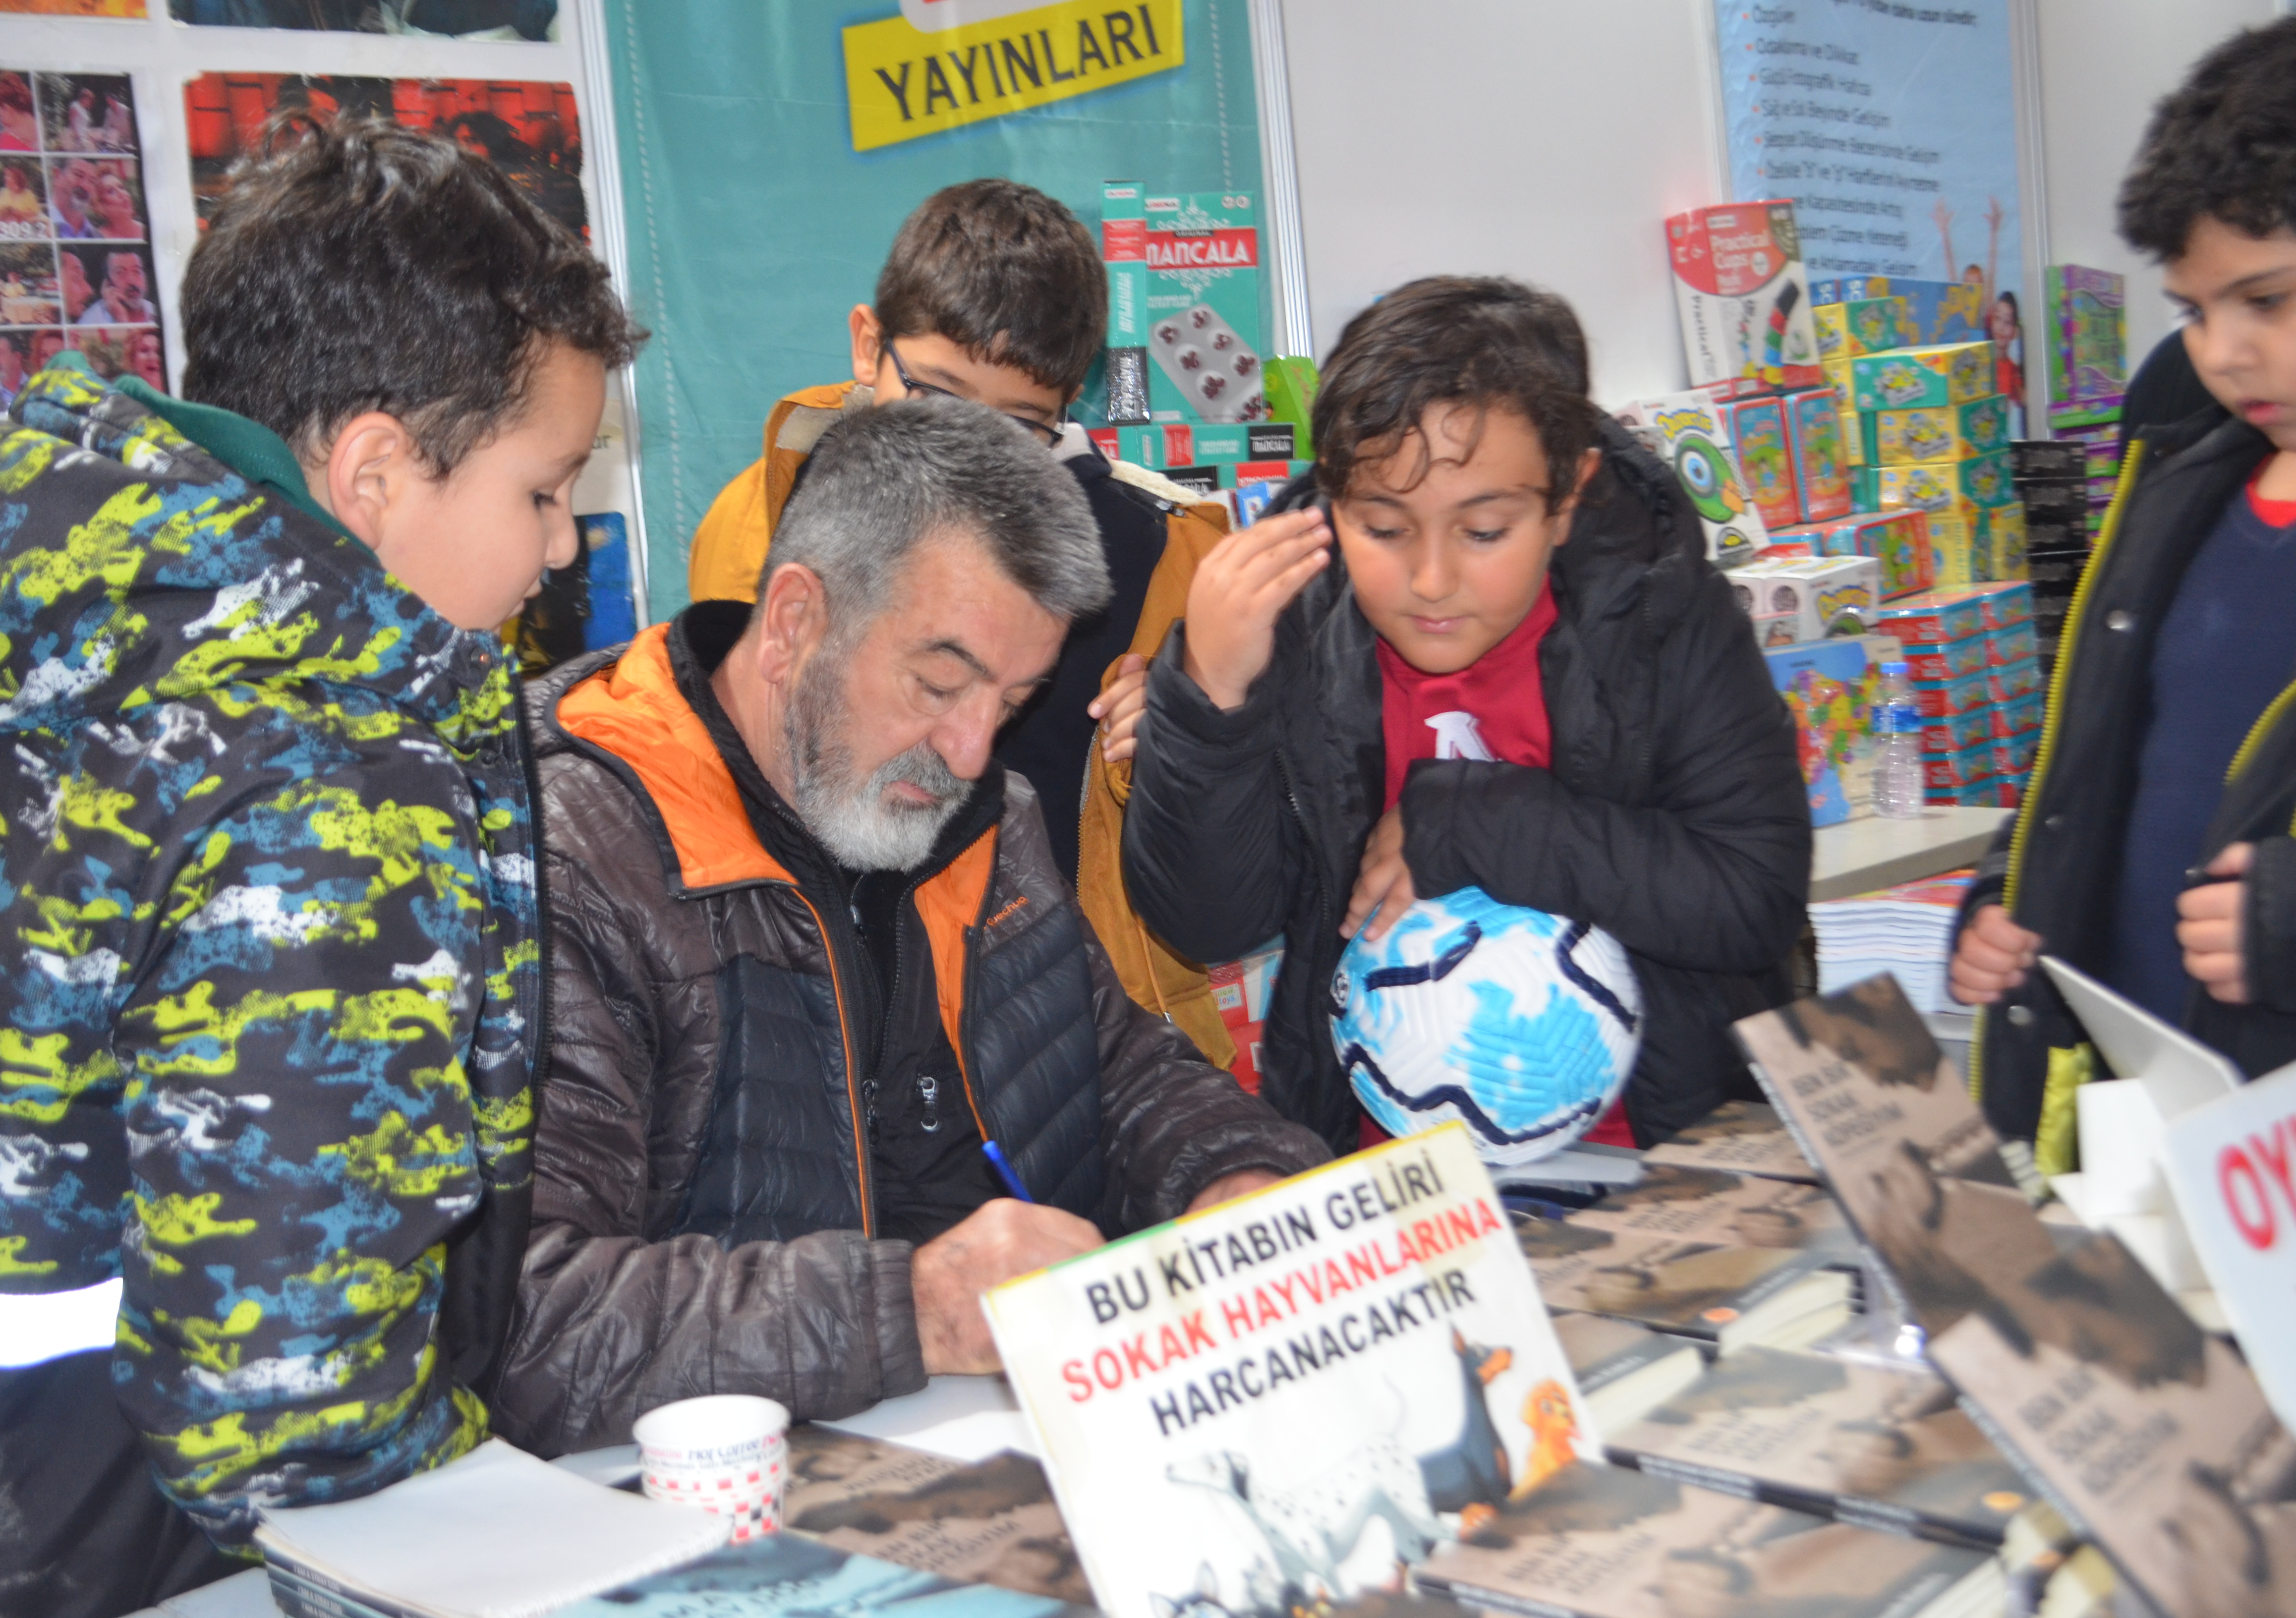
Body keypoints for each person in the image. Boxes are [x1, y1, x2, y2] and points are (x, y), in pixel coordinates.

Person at [0, 118, 642, 1618]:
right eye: (541, 491)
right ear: (372, 469)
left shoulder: (6, 586)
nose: (557, 546)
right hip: (157, 1549)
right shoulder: (322, 771)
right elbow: (287, 1411)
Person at [494, 398, 1327, 1453]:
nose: (974, 751)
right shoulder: (575, 849)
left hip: (1027, 1448)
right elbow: (527, 1322)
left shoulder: (985, 820)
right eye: (940, 684)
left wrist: (1236, 1177)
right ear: (795, 621)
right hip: (726, 1499)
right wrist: (914, 1308)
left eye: (1015, 699)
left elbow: (1111, 1070)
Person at [1118, 277, 1810, 1152]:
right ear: (1332, 498)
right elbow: (1208, 922)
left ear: (1566, 498)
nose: (1431, 580)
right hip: (1396, 1175)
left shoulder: (1662, 614)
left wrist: (1466, 817)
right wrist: (1207, 699)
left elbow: (1754, 895)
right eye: (1382, 526)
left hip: (1663, 1162)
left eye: (1483, 532)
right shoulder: (1298, 621)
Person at [681, 180, 1246, 1064]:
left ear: (1068, 409)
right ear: (869, 345)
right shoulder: (756, 522)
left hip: (1050, 1037)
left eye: (1018, 424)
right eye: (941, 398)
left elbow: (1210, 894)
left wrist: (1186, 747)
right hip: (808, 1031)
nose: (970, 454)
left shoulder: (1158, 561)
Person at [1950, 16, 2296, 1160]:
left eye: (2269, 301)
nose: (2225, 354)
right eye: (2195, 313)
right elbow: (2104, 752)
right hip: (2138, 1123)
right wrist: (2012, 886)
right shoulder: (2184, 481)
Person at [78, 246, 153, 325]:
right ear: (108, 283)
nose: (131, 281)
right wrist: (119, 317)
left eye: (137, 272)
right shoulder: (91, 320)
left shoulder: (154, 310)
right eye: (120, 273)